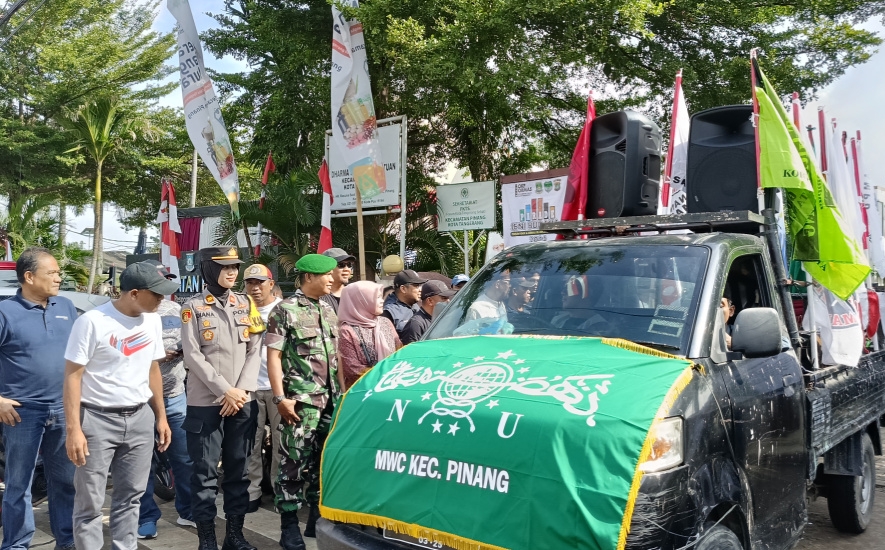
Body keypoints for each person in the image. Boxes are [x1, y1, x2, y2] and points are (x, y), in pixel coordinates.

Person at [63, 261, 175, 550]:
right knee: (90, 502)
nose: (163, 299)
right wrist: (74, 429)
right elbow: (73, 377)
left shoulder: (153, 319)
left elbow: (152, 369)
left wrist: (160, 416)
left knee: (131, 497)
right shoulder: (91, 322)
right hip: (97, 420)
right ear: (134, 293)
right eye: (158, 294)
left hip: (139, 418)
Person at [180, 247, 264, 550]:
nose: (232, 272)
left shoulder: (246, 304)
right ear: (207, 269)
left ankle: (235, 536)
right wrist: (224, 390)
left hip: (242, 401)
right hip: (206, 403)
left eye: (235, 267)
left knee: (239, 470)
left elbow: (256, 348)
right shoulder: (193, 307)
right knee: (203, 474)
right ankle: (206, 540)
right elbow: (192, 356)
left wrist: (240, 391)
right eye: (224, 267)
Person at [0, 248, 78, 550]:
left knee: (66, 482)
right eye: (53, 273)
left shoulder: (67, 307)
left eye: (59, 273)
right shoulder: (6, 312)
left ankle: (67, 541)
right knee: (19, 485)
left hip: (64, 409)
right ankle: (17, 544)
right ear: (29, 277)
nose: (59, 278)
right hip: (21, 414)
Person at [266, 254, 340, 550]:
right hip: (300, 403)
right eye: (327, 276)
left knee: (323, 463)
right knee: (294, 462)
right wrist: (280, 398)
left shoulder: (328, 309)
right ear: (309, 277)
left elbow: (336, 360)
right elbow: (273, 356)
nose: (332, 280)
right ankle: (288, 526)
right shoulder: (284, 310)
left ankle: (315, 518)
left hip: (330, 401)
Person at [137, 260, 196, 539]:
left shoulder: (177, 310)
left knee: (183, 459)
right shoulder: (133, 314)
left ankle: (188, 511)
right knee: (142, 464)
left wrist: (183, 351)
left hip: (175, 397)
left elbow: (192, 341)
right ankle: (146, 517)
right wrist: (157, 357)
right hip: (140, 401)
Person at [242, 263, 283, 513]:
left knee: (281, 444)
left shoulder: (285, 310)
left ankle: (281, 492)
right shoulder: (239, 310)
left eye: (260, 283)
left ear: (271, 284)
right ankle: (252, 492)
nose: (255, 288)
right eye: (250, 283)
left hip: (279, 388)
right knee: (250, 443)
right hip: (249, 388)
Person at [337, 281, 401, 390]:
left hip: (394, 385)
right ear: (362, 301)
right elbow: (353, 370)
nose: (382, 301)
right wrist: (384, 377)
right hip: (364, 392)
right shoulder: (346, 331)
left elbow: (399, 350)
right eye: (378, 298)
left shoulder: (385, 322)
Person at [401, 280, 454, 345]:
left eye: (448, 298)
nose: (448, 301)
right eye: (444, 298)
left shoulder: (443, 319)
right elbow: (412, 353)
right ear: (430, 301)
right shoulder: (416, 324)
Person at [382, 269, 426, 338]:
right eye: (416, 286)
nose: (420, 290)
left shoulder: (415, 305)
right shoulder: (389, 312)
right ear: (403, 289)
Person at [319, 247, 355, 314]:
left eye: (349, 265)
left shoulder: (356, 294)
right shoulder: (318, 297)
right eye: (341, 265)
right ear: (327, 268)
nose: (347, 269)